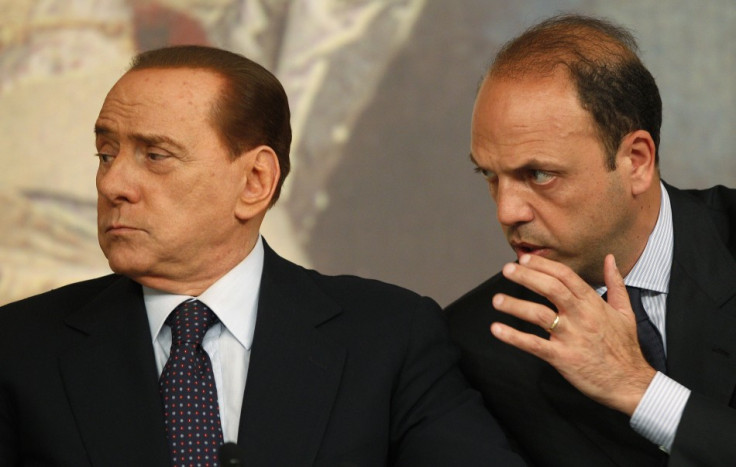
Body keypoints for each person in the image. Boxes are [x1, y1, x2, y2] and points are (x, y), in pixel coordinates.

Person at [0, 45, 524, 466]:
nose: (112, 182)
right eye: (106, 154)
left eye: (155, 156)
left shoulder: (389, 338)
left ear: (254, 181)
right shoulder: (20, 348)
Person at [446, 13, 736, 467]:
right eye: (490, 176)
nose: (507, 211)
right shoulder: (473, 343)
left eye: (538, 174)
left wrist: (639, 389)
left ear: (636, 161)